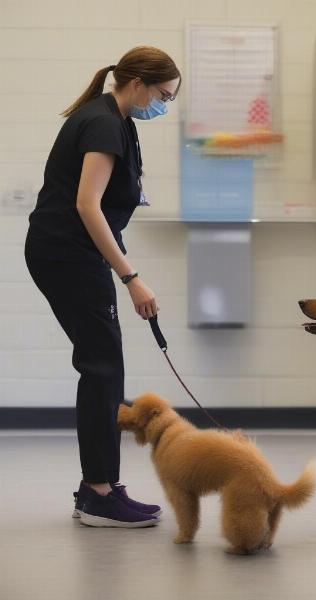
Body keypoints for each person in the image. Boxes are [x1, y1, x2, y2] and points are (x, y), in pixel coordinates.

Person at [24, 46, 181, 528]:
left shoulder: (116, 120)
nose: (165, 105)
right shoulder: (104, 122)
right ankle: (97, 493)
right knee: (101, 366)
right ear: (137, 84)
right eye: (164, 95)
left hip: (73, 254)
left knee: (104, 365)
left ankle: (103, 484)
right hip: (68, 254)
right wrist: (132, 278)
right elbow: (87, 206)